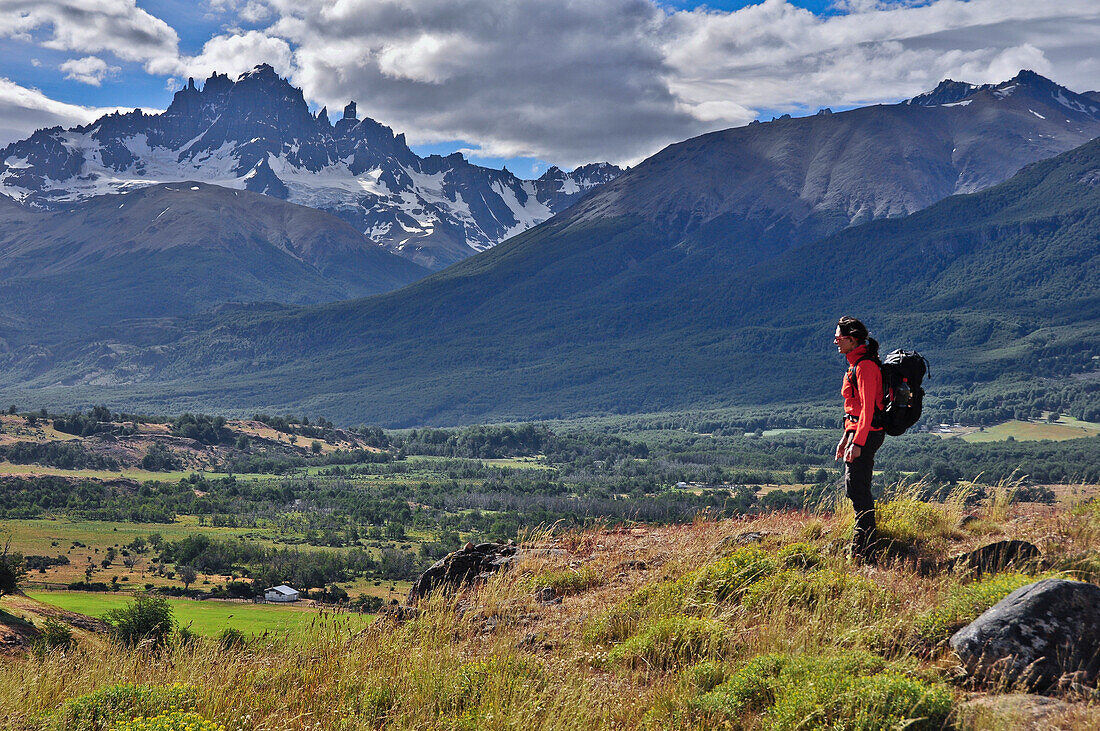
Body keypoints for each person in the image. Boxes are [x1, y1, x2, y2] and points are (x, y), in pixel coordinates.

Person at [833, 316, 885, 561]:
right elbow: (853, 408)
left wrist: (858, 442)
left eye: (839, 337)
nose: (835, 341)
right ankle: (863, 546)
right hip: (858, 432)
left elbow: (867, 410)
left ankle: (864, 552)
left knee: (858, 491)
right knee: (855, 489)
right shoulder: (856, 364)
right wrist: (846, 438)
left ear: (852, 340)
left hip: (867, 433)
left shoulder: (865, 367)